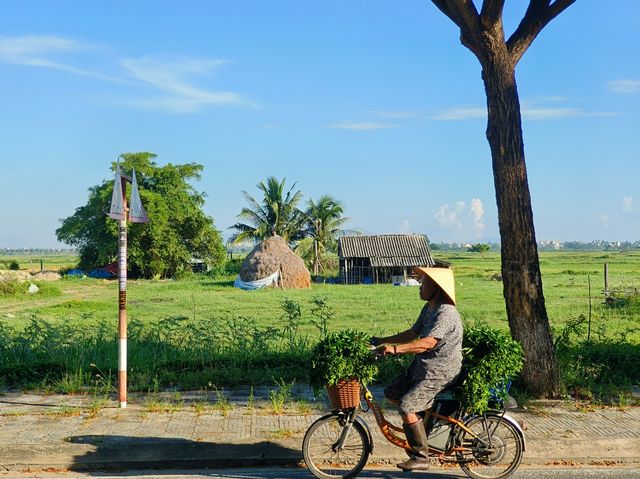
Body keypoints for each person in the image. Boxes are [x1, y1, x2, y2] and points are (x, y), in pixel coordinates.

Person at [371, 266, 463, 471]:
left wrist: (396, 350)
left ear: (437, 288)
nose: (420, 287)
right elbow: (413, 333)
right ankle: (420, 428)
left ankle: (421, 456)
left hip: (440, 371)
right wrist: (383, 341)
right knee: (391, 392)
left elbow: (428, 343)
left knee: (407, 406)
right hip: (423, 367)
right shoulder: (429, 308)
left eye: (424, 283)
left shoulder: (445, 312)